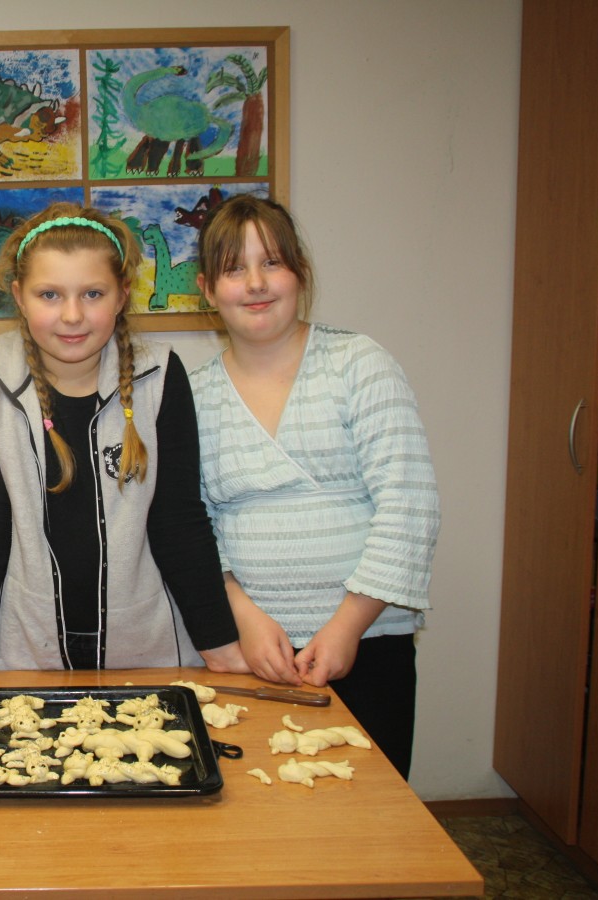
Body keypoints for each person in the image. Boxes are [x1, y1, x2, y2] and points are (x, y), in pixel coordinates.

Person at [0, 202, 246, 678]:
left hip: (149, 651)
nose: (72, 315)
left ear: (122, 294)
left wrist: (221, 645)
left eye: (93, 294)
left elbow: (179, 521)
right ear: (19, 296)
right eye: (49, 294)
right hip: (25, 653)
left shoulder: (160, 374)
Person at [189, 194, 440, 778]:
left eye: (272, 262)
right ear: (207, 289)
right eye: (233, 268)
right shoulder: (193, 394)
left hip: (368, 639)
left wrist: (347, 626)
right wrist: (243, 618)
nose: (255, 283)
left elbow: (409, 504)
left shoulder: (359, 364)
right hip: (249, 649)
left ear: (300, 272)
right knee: (257, 809)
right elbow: (193, 525)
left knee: (365, 808)